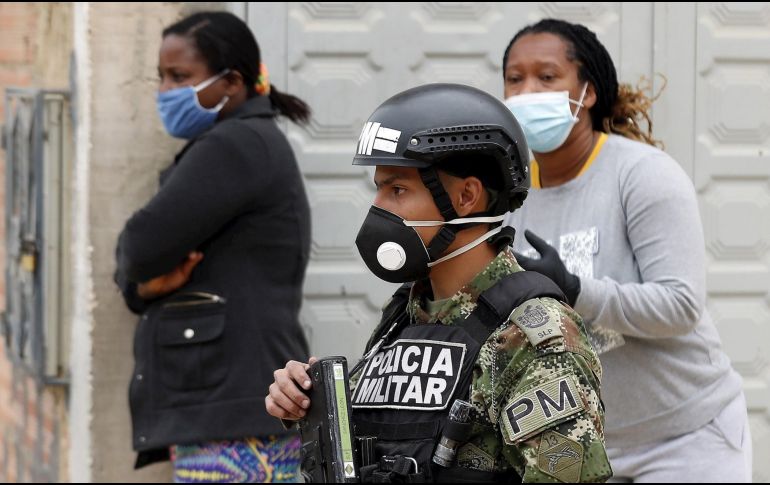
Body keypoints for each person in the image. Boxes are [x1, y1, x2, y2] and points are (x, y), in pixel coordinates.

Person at [266, 83, 612, 482]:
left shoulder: (531, 335)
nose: (378, 209)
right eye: (379, 189)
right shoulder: (407, 314)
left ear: (466, 197)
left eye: (397, 190)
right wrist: (305, 400)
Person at [501, 18, 752, 482]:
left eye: (548, 76)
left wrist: (575, 290)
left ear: (587, 93)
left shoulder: (641, 175)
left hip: (686, 438)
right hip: (584, 446)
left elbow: (680, 306)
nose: (528, 91)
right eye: (515, 79)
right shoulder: (509, 200)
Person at [114, 11, 312, 483]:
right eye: (161, 77)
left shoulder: (236, 144)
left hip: (237, 417)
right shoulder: (241, 141)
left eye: (180, 77)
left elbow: (139, 247)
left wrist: (139, 277)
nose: (165, 91)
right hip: (236, 409)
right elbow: (143, 264)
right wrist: (144, 290)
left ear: (232, 82)